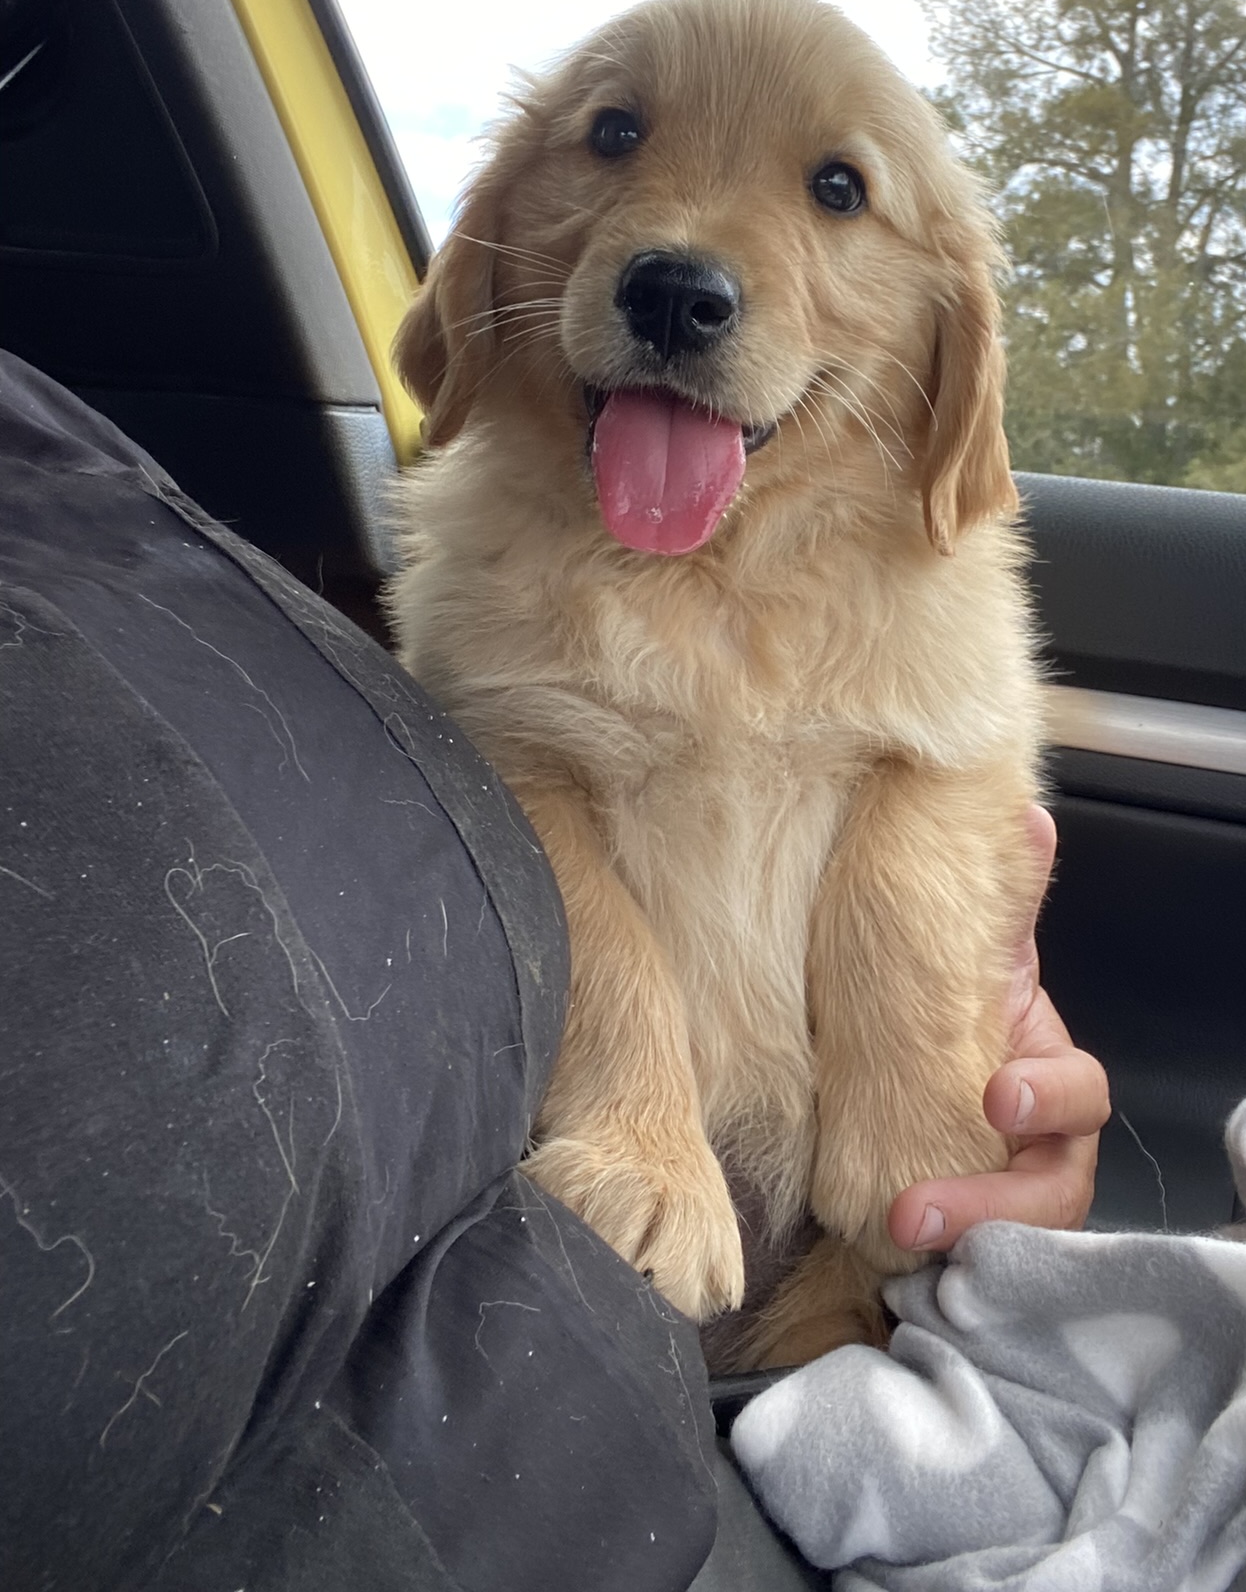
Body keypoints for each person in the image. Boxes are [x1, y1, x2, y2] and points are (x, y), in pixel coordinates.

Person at [0, 350, 1108, 1591]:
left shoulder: (66, 483)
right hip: (519, 1356)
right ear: (487, 268)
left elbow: (965, 781)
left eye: (836, 190)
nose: (686, 252)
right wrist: (631, 1096)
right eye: (616, 140)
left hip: (798, 1351)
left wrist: (932, 1060)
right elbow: (506, 792)